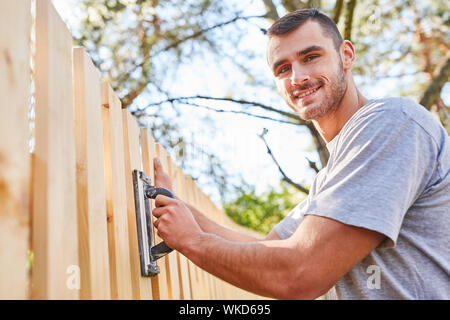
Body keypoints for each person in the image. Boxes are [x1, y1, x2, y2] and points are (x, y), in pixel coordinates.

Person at [151, 9, 450, 299]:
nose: (298, 77)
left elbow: (298, 272)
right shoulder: (333, 176)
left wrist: (192, 240)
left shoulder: (392, 123)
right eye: (283, 68)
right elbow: (267, 247)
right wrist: (181, 211)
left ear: (346, 55)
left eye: (311, 57)